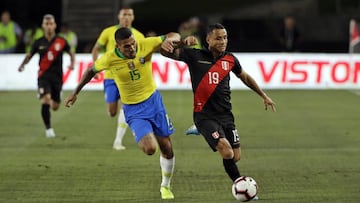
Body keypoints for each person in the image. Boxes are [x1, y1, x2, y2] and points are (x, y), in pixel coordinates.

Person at [64, 27, 195, 200]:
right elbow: (90, 71)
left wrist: (180, 41)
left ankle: (165, 186)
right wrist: (75, 93)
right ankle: (139, 134)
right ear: (118, 46)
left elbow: (171, 36)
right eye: (127, 46)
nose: (132, 48)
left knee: (167, 148)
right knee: (150, 149)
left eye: (132, 44)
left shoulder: (144, 44)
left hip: (154, 103)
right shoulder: (110, 58)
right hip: (134, 110)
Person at [160, 23, 276, 200]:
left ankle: (203, 133)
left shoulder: (230, 59)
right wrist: (182, 43)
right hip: (204, 115)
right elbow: (165, 52)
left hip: (225, 115)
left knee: (235, 156)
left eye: (225, 38)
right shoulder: (194, 55)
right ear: (208, 39)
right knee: (226, 151)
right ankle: (241, 186)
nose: (223, 41)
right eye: (218, 38)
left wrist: (263, 95)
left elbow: (244, 76)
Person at [91, 7, 145, 150]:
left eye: (129, 15)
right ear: (119, 17)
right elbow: (96, 48)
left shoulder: (139, 36)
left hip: (128, 78)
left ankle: (118, 140)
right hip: (110, 76)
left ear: (133, 17)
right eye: (124, 15)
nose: (126, 17)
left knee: (125, 106)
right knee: (112, 112)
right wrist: (95, 67)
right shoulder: (108, 32)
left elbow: (143, 56)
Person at [18, 14, 75, 138]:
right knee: (45, 100)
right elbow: (30, 55)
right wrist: (23, 65)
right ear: (43, 26)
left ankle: (55, 95)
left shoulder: (61, 41)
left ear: (54, 25)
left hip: (57, 78)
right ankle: (48, 129)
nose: (49, 26)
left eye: (51, 24)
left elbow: (71, 52)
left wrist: (72, 63)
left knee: (55, 106)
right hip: (43, 76)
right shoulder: (38, 42)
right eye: (46, 24)